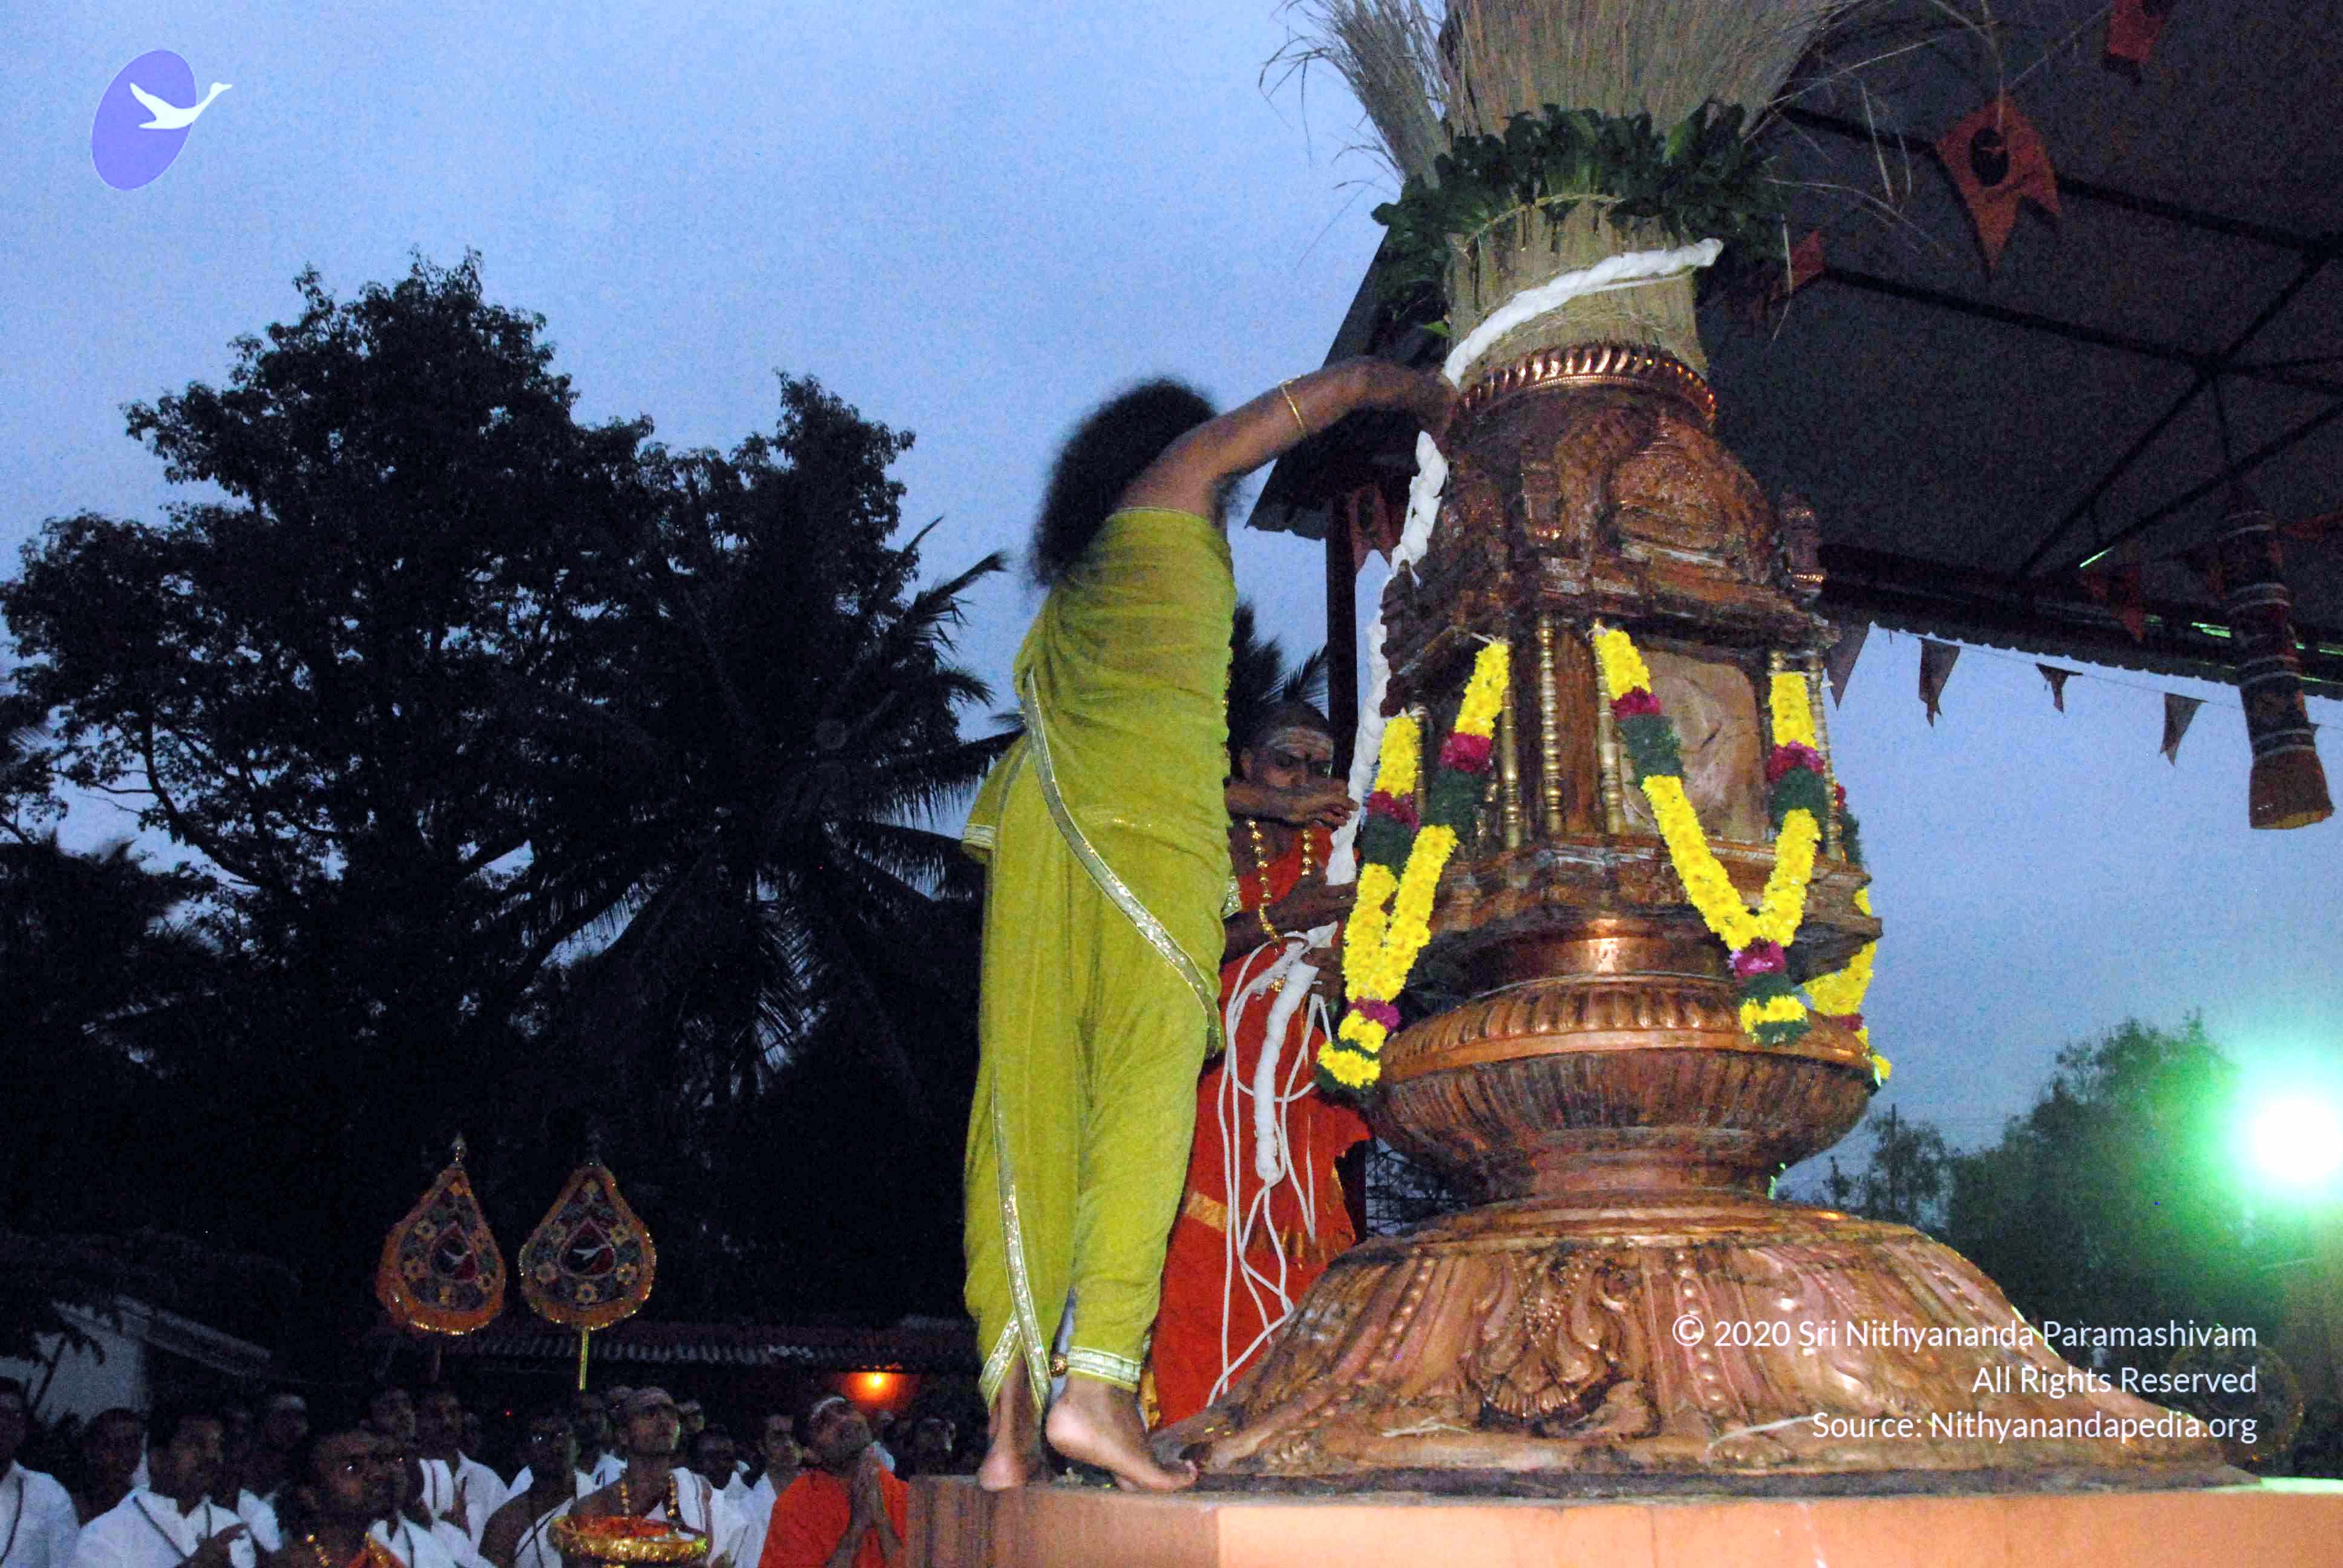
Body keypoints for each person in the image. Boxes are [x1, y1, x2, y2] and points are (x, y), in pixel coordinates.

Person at [959, 359, 1453, 1491]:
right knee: (1146, 1089)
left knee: (1029, 1109)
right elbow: (1318, 399)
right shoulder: (1175, 488)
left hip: (1050, 834)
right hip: (1141, 854)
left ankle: (1008, 1424)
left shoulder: (1089, 575)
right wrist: (1422, 395)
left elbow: (1132, 740)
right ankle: (1098, 1385)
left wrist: (1267, 806)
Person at [1149, 702, 1372, 1428]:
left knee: (1302, 1247)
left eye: (1317, 767)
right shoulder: (1204, 836)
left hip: (1295, 1085)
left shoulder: (1331, 848)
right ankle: (1191, 1424)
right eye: (1285, 763)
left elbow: (1352, 964)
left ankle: (1291, 1424)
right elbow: (1166, 944)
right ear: (1246, 766)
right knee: (1202, 1247)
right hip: (1211, 1073)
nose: (1303, 781)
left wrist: (1341, 979)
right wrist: (1280, 920)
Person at [566, 1390, 744, 1568]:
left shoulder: (698, 1489)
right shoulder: (592, 1510)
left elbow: (719, 1561)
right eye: (650, 1413)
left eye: (671, 1413)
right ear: (623, 1435)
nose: (664, 1421)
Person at [68, 1404, 255, 1568]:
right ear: (157, 1459)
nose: (212, 1456)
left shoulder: (231, 1527)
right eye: (196, 1444)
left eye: (217, 1445)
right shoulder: (103, 1534)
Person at [752, 1398, 900, 1568]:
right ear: (812, 1453)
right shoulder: (794, 1508)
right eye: (824, 1423)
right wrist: (855, 1529)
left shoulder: (907, 1494)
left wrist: (882, 1522)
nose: (843, 1420)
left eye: (845, 1409)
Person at [270, 1425, 398, 1568]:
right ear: (311, 1496)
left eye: (378, 1461)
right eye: (352, 1468)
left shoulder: (386, 1562)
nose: (377, 1474)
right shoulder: (288, 1564)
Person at [477, 1411, 584, 1568]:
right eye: (540, 1439)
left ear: (578, 1446)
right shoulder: (506, 1523)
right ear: (522, 1454)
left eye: (562, 1434)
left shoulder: (603, 1503)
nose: (555, 1446)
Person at [0, 1380, 80, 1568]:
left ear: (23, 1429)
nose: (4, 1425)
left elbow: (67, 1562)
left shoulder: (48, 1494)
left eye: (14, 1416)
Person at [414, 1390, 499, 1544]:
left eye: (453, 1413)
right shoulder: (409, 1479)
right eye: (436, 1415)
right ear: (419, 1421)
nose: (447, 1422)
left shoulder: (488, 1479)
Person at [732, 1416, 796, 1568]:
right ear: (761, 1447)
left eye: (792, 1436)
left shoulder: (819, 1494)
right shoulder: (747, 1507)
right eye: (778, 1437)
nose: (788, 1444)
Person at [71, 1409, 145, 1524]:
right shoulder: (69, 1507)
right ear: (92, 1451)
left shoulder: (145, 1507)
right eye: (115, 1445)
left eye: (132, 1444)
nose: (126, 1454)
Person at [239, 1394, 307, 1503]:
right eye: (285, 1417)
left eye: (299, 1417)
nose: (294, 1425)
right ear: (265, 1420)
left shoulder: (307, 1471)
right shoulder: (243, 1465)